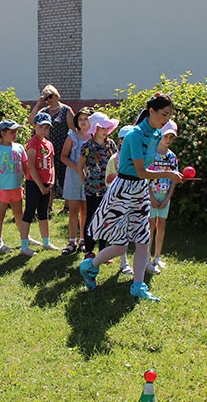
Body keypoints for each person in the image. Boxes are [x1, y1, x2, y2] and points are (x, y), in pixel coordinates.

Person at [79, 94, 184, 301]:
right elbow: (140, 171)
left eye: (169, 115)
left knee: (143, 239)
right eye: (164, 114)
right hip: (123, 190)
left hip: (140, 189)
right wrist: (169, 174)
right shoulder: (135, 135)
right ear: (152, 111)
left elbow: (145, 172)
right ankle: (90, 266)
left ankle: (138, 285)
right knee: (121, 245)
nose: (166, 120)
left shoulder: (156, 134)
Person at [78, 112, 119, 260]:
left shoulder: (111, 144)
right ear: (95, 128)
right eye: (102, 127)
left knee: (106, 218)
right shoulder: (87, 146)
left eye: (107, 127)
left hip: (108, 189)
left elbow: (116, 162)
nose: (105, 130)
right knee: (91, 218)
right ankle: (89, 249)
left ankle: (103, 251)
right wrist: (86, 182)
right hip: (92, 190)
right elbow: (80, 167)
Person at [19, 112, 59, 256]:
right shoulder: (33, 143)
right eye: (41, 127)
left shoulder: (49, 144)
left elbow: (51, 164)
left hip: (46, 184)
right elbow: (31, 165)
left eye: (46, 127)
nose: (44, 130)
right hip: (34, 183)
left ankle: (46, 243)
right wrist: (40, 186)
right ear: (35, 126)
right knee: (29, 213)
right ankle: (24, 246)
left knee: (44, 213)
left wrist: (51, 181)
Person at [29, 85, 74, 205]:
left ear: (56, 95)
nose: (48, 100)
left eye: (50, 96)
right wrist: (38, 104)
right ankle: (49, 204)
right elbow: (31, 121)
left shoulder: (66, 110)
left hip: (62, 147)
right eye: (45, 98)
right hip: (46, 148)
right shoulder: (43, 112)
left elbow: (73, 129)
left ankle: (67, 205)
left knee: (65, 176)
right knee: (49, 174)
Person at [0, 119, 28, 254]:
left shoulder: (19, 148)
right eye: (12, 132)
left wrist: (29, 182)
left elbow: (25, 166)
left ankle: (25, 238)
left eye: (16, 132)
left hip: (17, 187)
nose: (15, 135)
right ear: (3, 133)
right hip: (2, 189)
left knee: (19, 214)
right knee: (0, 214)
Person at [146, 121, 179, 275]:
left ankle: (157, 257)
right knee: (150, 226)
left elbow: (174, 180)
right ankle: (147, 256)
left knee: (161, 226)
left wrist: (167, 199)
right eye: (166, 136)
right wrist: (151, 197)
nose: (169, 140)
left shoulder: (172, 157)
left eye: (171, 137)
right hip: (150, 197)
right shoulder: (150, 154)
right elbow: (144, 177)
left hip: (165, 197)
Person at [60, 107, 93, 255]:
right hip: (73, 177)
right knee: (73, 210)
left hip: (89, 178)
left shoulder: (94, 136)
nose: (83, 122)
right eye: (80, 119)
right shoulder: (72, 136)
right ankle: (71, 241)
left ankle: (83, 240)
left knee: (85, 210)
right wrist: (77, 167)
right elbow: (63, 156)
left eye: (86, 119)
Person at [104, 125, 134, 275]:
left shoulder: (138, 157)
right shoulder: (114, 159)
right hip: (120, 200)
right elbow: (108, 180)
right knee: (122, 231)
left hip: (135, 199)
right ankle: (124, 262)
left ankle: (144, 260)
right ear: (121, 141)